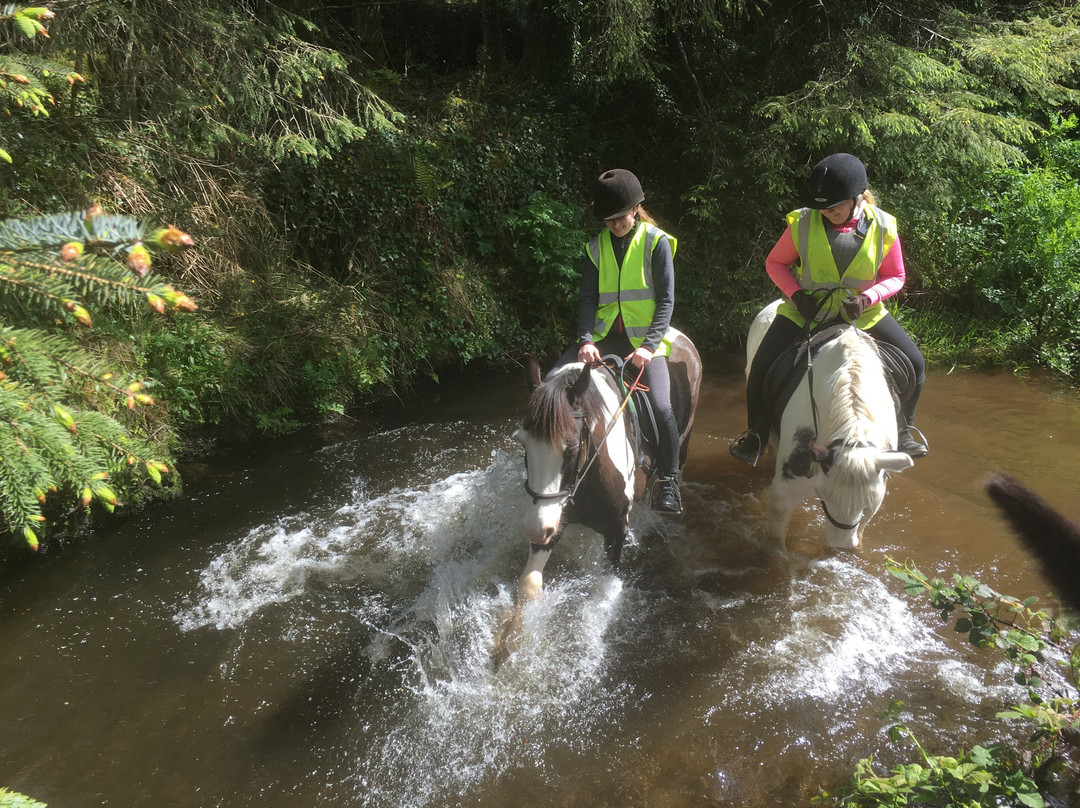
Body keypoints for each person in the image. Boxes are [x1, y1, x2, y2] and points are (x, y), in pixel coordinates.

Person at [729, 152, 928, 466]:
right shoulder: (803, 223)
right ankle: (756, 435)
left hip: (861, 312)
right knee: (760, 368)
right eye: (823, 206)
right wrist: (796, 295)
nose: (828, 211)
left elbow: (896, 276)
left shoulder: (883, 226)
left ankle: (905, 430)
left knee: (916, 363)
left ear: (855, 197)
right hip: (807, 310)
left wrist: (868, 297)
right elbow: (775, 263)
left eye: (835, 205)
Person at [549, 168, 685, 513]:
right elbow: (587, 300)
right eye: (608, 220)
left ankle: (670, 480)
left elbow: (666, 301)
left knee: (662, 407)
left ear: (636, 208)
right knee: (552, 385)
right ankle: (547, 461)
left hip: (644, 340)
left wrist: (648, 346)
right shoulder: (595, 248)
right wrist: (585, 339)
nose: (614, 224)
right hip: (604, 336)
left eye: (619, 217)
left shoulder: (656, 243)